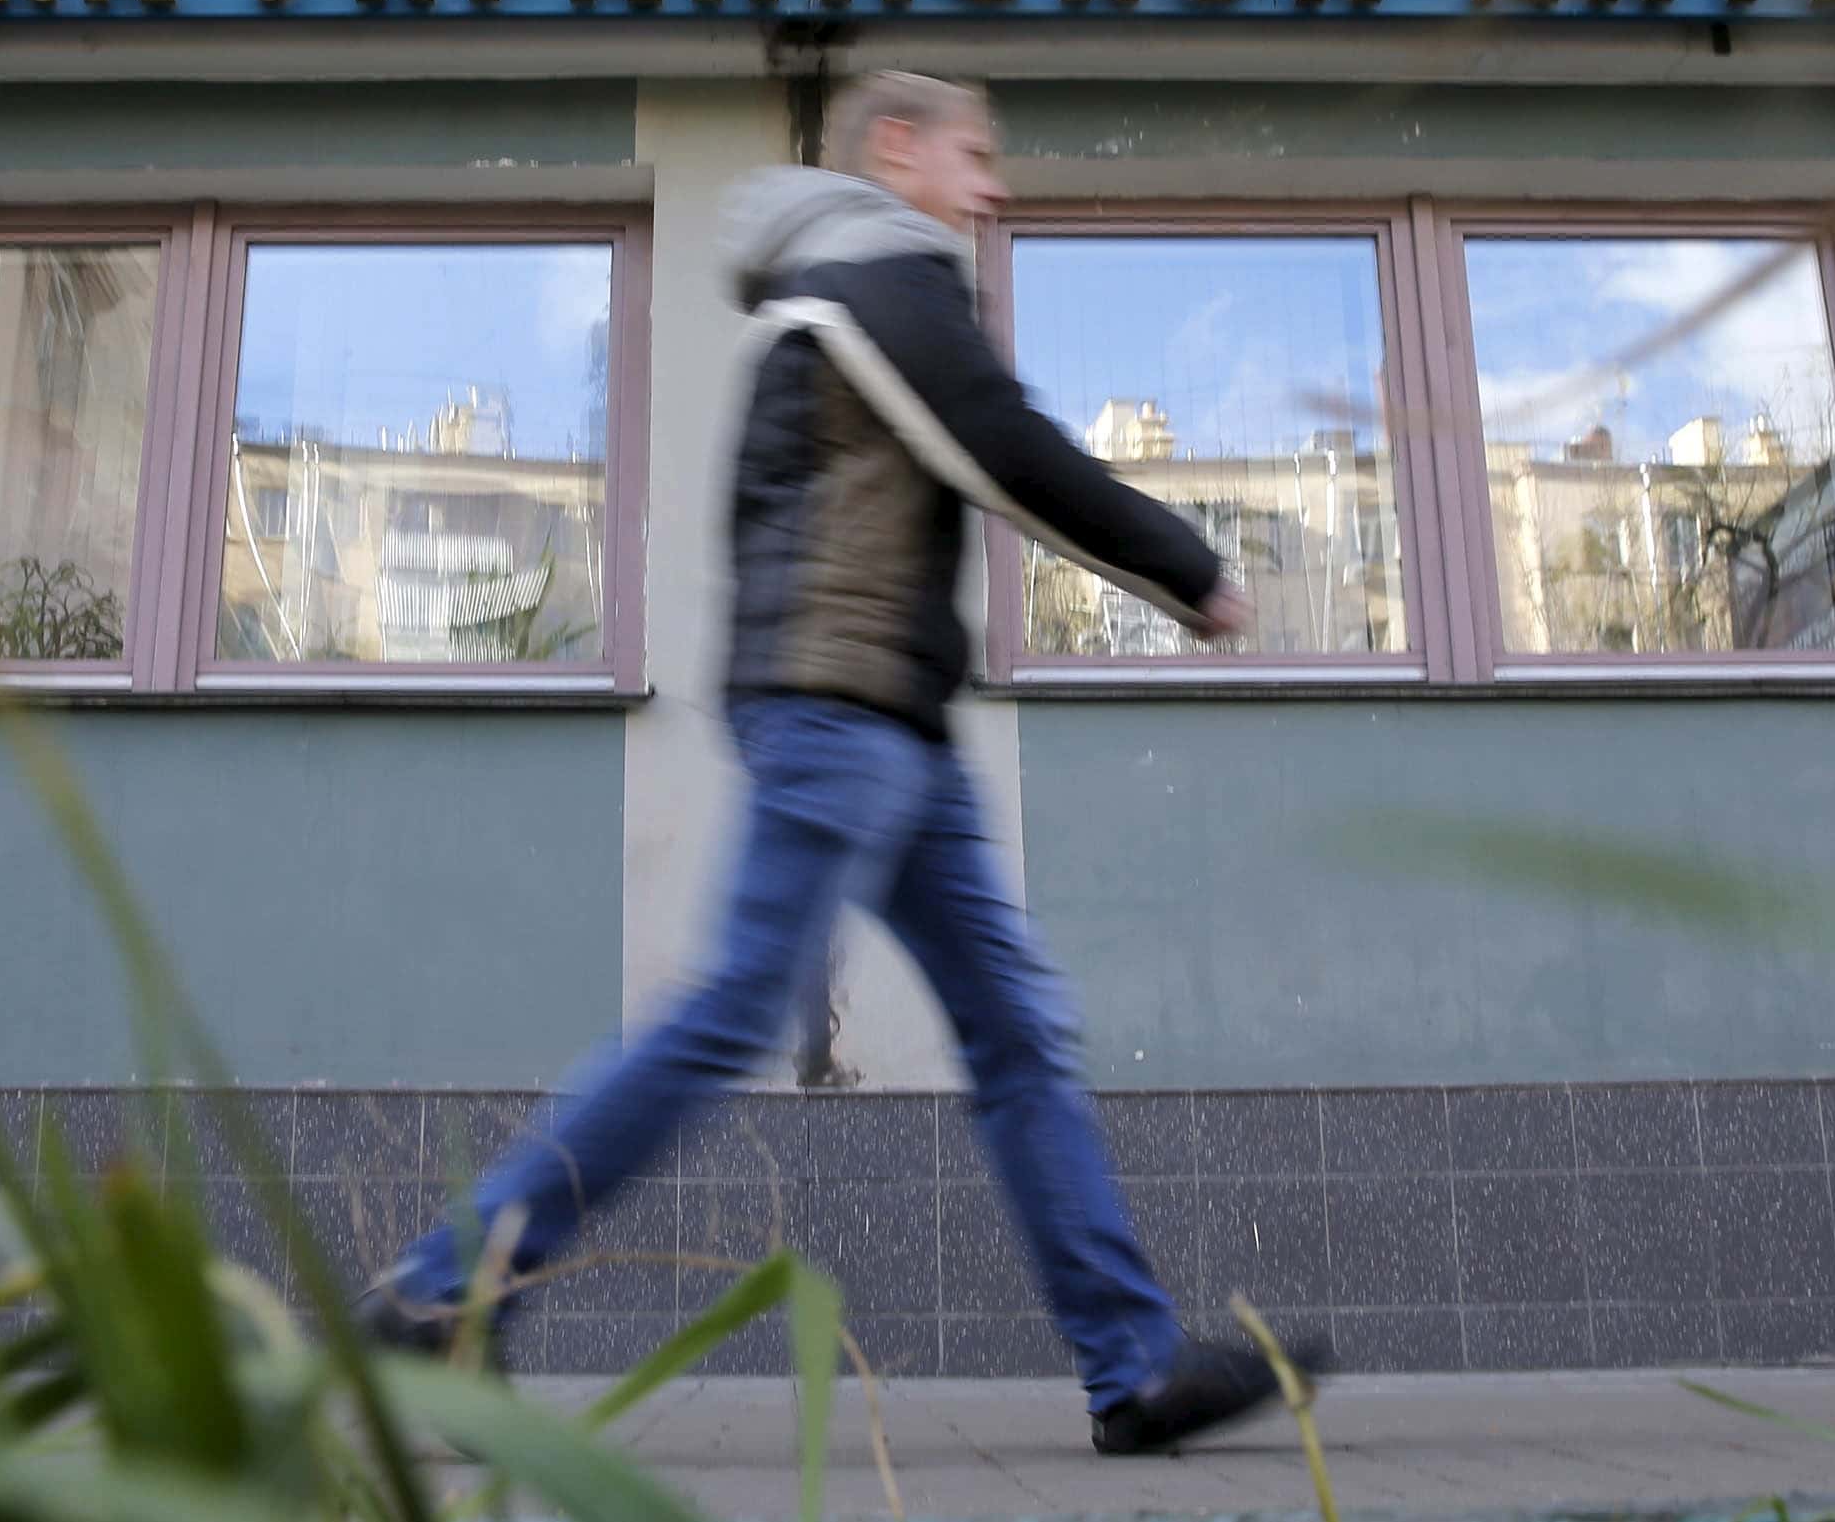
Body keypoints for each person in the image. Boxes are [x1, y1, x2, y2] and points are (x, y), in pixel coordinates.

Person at [362, 71, 1324, 1454]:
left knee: (1016, 1033)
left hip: (888, 727)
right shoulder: (878, 274)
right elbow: (1010, 447)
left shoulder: (841, 293)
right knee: (732, 1013)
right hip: (837, 715)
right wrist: (1191, 568)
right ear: (896, 147)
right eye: (975, 154)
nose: (993, 186)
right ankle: (444, 1288)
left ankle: (1132, 1365)